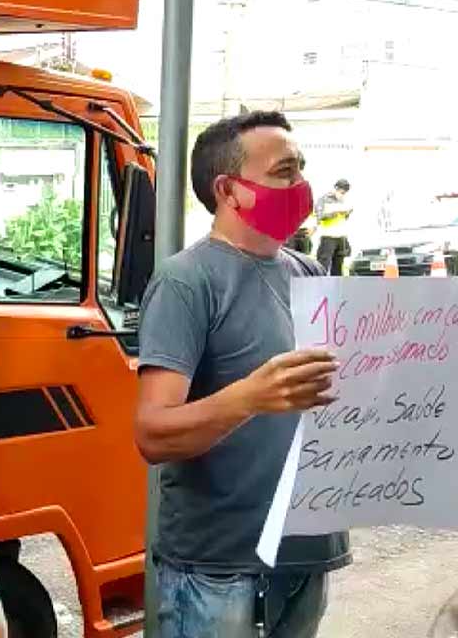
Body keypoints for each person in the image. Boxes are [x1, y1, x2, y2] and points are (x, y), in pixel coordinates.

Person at [134, 112, 351, 637]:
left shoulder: (309, 273)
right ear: (230, 189)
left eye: (301, 170)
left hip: (306, 557)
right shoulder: (187, 282)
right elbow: (153, 433)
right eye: (284, 171)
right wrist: (251, 397)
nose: (301, 187)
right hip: (220, 573)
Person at [314, 178, 352, 275]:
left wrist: (347, 213)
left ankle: (337, 289)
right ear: (335, 188)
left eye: (344, 193)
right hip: (328, 238)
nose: (342, 194)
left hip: (341, 239)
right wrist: (334, 213)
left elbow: (344, 219)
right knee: (322, 267)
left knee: (338, 269)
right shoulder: (323, 200)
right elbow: (319, 216)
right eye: (341, 192)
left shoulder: (344, 201)